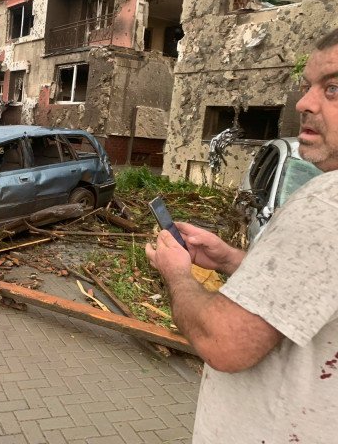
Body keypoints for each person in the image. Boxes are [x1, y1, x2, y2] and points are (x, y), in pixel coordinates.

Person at [145, 28, 338, 443]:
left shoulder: (327, 204)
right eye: (307, 87)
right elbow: (310, 296)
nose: (304, 103)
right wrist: (232, 261)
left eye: (334, 89)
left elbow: (225, 342)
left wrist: (177, 273)